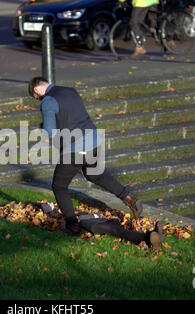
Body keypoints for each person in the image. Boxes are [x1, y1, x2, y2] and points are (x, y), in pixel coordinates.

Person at [28, 76, 143, 236]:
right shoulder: (71, 91)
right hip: (94, 140)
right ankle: (130, 199)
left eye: (37, 97)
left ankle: (73, 225)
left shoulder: (47, 101)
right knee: (94, 174)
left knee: (59, 186)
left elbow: (49, 131)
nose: (39, 99)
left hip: (75, 148)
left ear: (37, 90)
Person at [77, 211, 164, 249]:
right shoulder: (75, 216)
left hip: (103, 223)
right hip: (95, 225)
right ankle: (148, 237)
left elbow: (96, 215)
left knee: (122, 231)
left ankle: (152, 235)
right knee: (121, 232)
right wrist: (94, 215)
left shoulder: (73, 213)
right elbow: (86, 217)